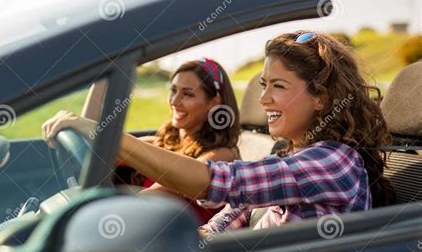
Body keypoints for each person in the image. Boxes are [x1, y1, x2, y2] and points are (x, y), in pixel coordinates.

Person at [117, 31, 397, 234]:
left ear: (320, 98)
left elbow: (224, 184)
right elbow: (234, 211)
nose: (263, 99)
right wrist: (203, 238)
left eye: (278, 86)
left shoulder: (332, 161)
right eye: (263, 85)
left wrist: (117, 140)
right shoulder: (290, 156)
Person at [42, 58, 241, 223]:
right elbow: (95, 148)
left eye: (187, 94)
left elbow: (142, 203)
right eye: (173, 90)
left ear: (213, 103)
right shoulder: (160, 142)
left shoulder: (221, 155)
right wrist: (103, 77)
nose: (174, 101)